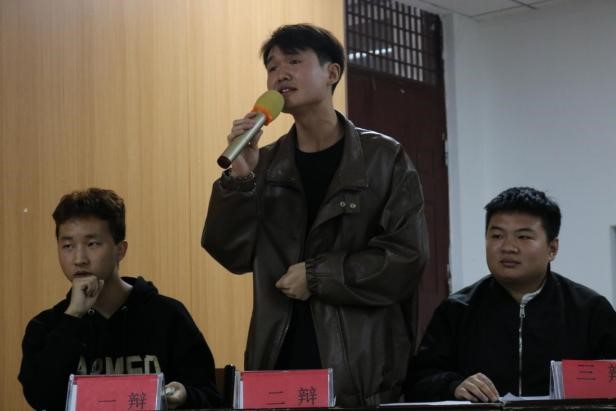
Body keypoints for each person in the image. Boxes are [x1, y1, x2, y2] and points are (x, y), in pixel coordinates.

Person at [201, 23, 429, 406]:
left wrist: (318, 276)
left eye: (293, 61)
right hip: (279, 362)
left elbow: (406, 258)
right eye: (272, 67)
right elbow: (231, 253)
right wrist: (240, 179)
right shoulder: (264, 163)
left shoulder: (383, 159)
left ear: (332, 73)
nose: (280, 74)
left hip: (358, 370)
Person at [406, 186, 616, 402]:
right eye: (497, 235)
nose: (508, 247)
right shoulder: (457, 310)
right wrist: (453, 386)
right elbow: (418, 381)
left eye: (523, 237)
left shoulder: (590, 311)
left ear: (552, 249)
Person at [18, 188, 220, 410]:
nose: (79, 259)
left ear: (120, 250)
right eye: (68, 246)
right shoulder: (47, 326)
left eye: (92, 244)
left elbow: (210, 396)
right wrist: (73, 317)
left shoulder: (167, 316)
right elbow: (41, 398)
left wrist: (184, 396)